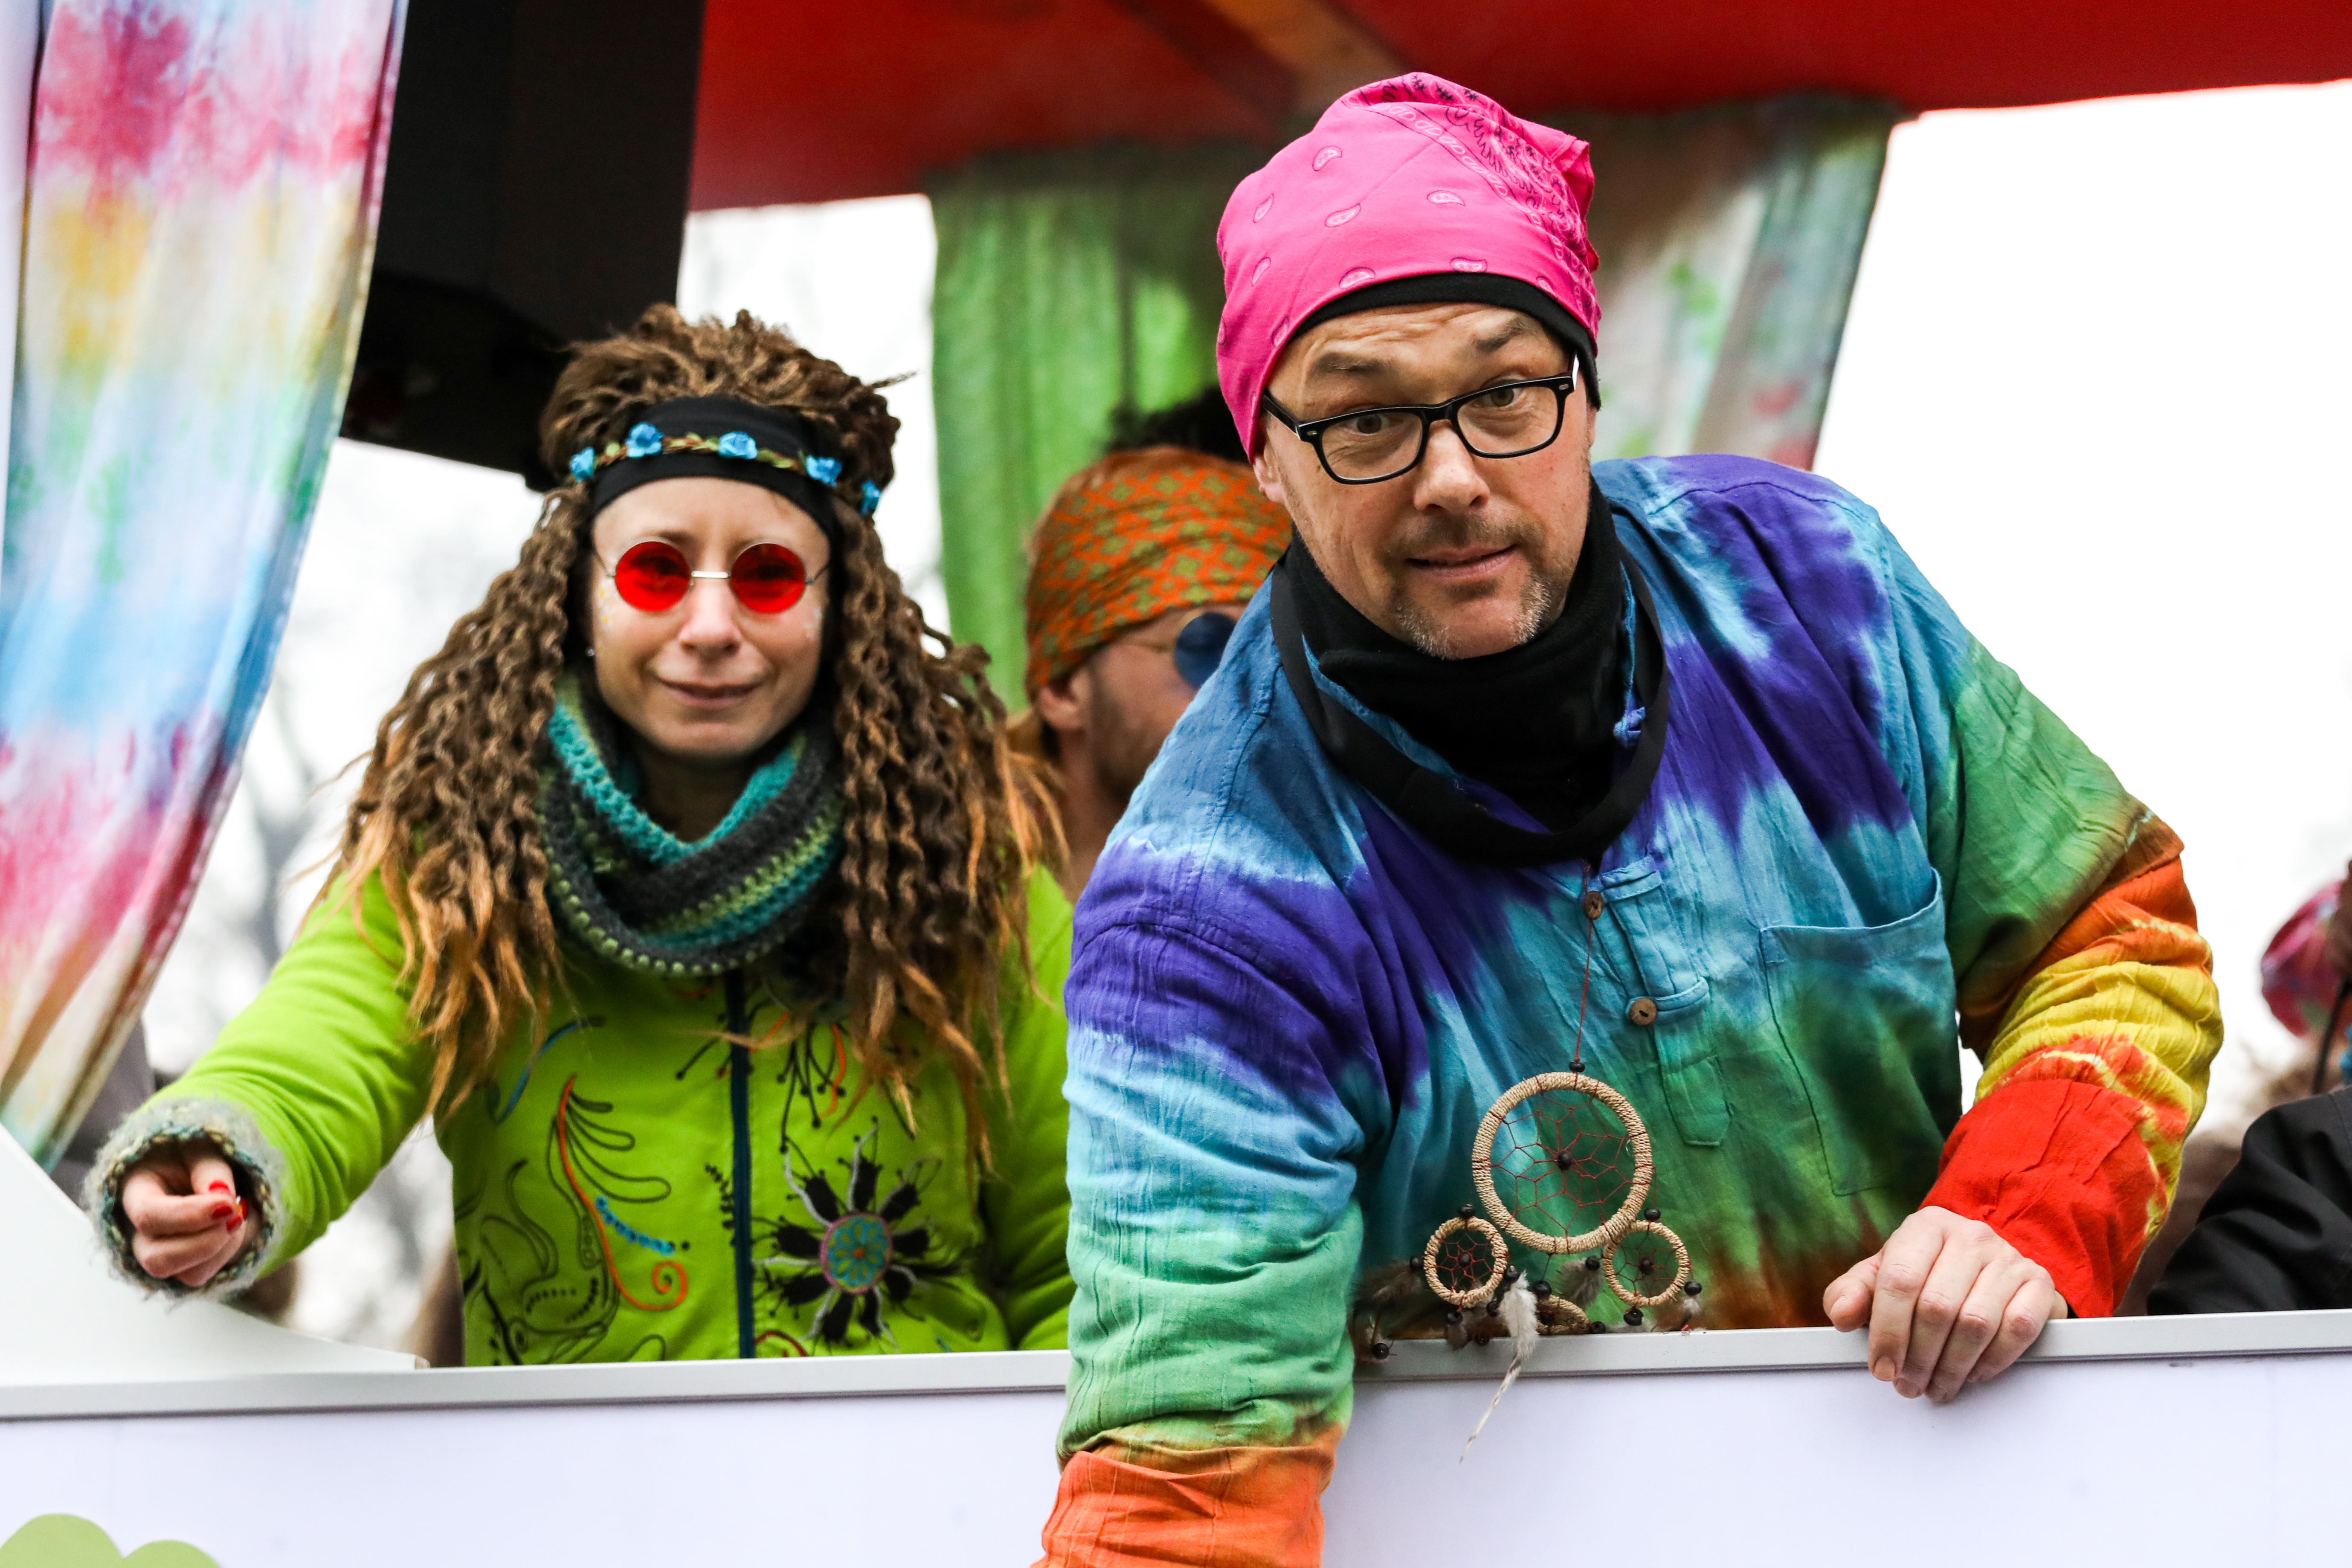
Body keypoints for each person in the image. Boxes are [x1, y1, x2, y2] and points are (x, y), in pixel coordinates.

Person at [1037, 74, 2220, 1563]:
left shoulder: (1809, 594)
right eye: (1362, 418)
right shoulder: (1204, 908)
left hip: (1938, 1505)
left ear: (1586, 390)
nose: (1450, 477)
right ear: (1262, 453)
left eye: (1504, 392)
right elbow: (1188, 1473)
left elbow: (2110, 929)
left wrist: (2024, 1204)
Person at [87, 307, 1074, 1364]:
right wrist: (217, 1151)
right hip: (563, 1470)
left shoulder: (966, 867)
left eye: (766, 577)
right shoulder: (464, 854)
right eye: (656, 572)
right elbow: (318, 1049)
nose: (709, 628)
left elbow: (1082, 1245)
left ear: (838, 607)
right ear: (580, 593)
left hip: (924, 1472)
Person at [1020, 391, 1293, 896]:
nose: (1259, 701)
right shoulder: (936, 916)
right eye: (1205, 649)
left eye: (1280, 661)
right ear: (1062, 688)